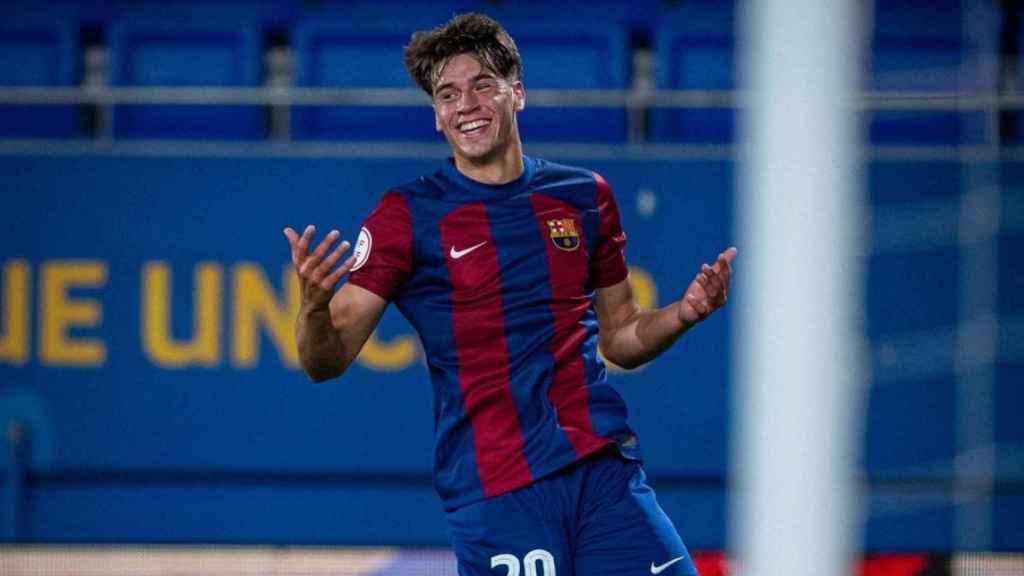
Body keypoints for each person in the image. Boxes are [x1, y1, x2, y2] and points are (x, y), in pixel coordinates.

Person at [283, 13, 736, 576]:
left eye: (481, 85)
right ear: (436, 116)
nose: (465, 105)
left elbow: (621, 338)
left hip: (603, 472)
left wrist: (684, 314)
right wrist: (313, 307)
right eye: (447, 94)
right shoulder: (406, 215)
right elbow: (323, 361)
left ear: (517, 93)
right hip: (499, 490)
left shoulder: (584, 195)